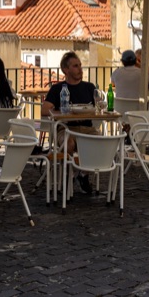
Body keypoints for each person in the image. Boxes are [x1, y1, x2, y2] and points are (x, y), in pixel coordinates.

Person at [41, 51, 100, 193]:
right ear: (65, 70)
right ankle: (69, 176)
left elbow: (99, 108)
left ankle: (83, 174)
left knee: (103, 144)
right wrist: (64, 111)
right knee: (69, 144)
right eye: (75, 66)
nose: (80, 69)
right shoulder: (57, 89)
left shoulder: (89, 87)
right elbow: (44, 111)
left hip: (87, 128)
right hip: (65, 128)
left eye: (80, 65)